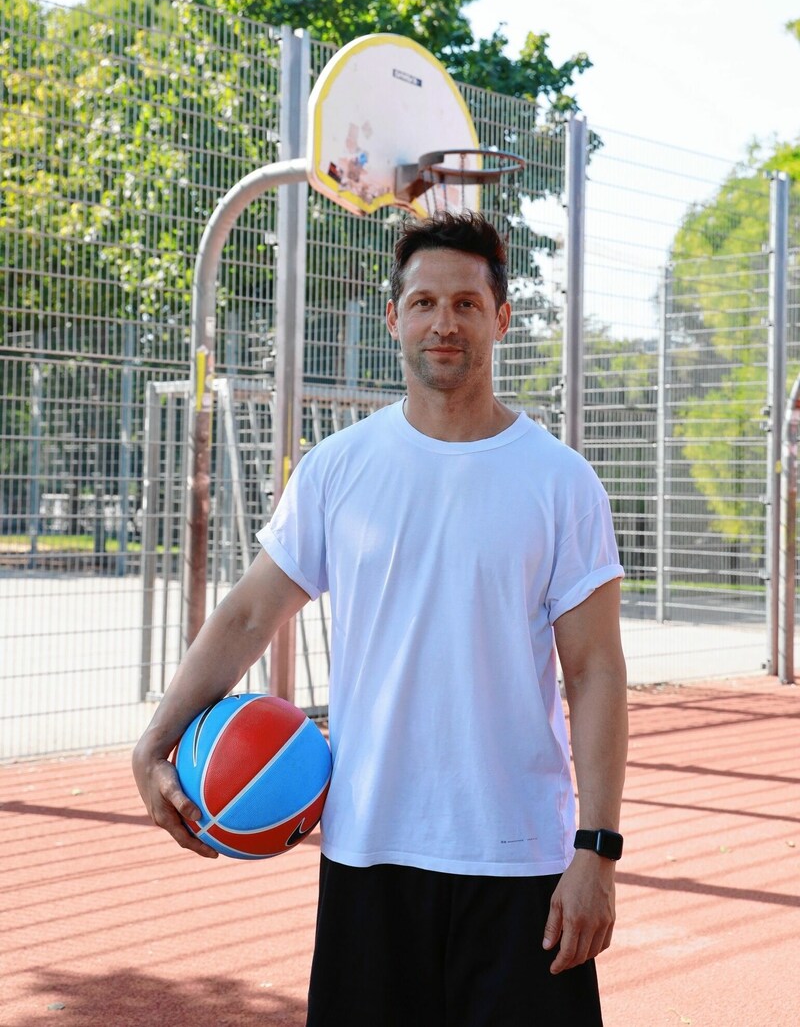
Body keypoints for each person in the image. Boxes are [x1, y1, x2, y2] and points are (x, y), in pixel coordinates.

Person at [133, 211, 628, 1027]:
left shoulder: (560, 482)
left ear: (501, 320)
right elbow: (254, 611)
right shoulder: (339, 469)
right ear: (394, 317)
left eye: (467, 304)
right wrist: (156, 741)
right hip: (368, 853)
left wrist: (597, 850)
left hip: (522, 861)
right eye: (425, 302)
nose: (445, 322)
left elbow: (596, 671)